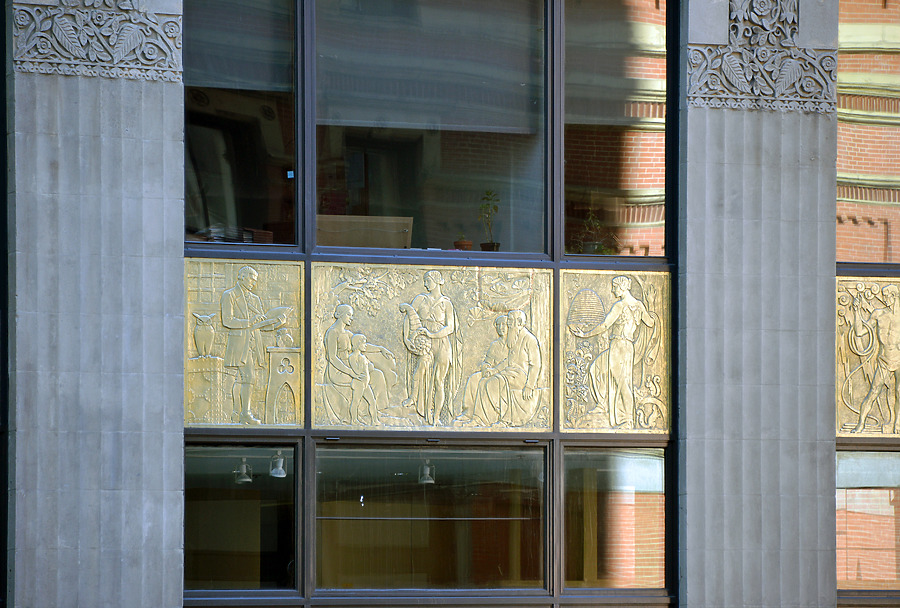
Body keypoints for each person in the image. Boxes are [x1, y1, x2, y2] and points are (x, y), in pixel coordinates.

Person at [571, 275, 654, 429]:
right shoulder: (639, 305)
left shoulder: (620, 306)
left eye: (615, 287)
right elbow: (650, 322)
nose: (613, 290)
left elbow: (604, 326)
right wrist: (651, 305)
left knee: (621, 383)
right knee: (599, 370)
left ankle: (628, 419)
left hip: (618, 345)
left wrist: (584, 334)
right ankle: (603, 405)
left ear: (622, 287)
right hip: (628, 346)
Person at [400, 270, 459, 425]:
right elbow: (409, 317)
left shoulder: (446, 303)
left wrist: (432, 334)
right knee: (420, 368)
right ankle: (413, 398)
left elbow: (450, 327)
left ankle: (437, 417)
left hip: (442, 344)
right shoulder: (420, 299)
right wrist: (406, 338)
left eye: (427, 280)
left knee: (439, 380)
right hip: (424, 343)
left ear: (436, 281)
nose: (425, 283)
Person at [221, 266, 276, 424]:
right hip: (239, 342)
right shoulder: (229, 295)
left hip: (254, 343)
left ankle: (238, 413)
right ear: (242, 276)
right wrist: (249, 322)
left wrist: (275, 322)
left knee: (246, 378)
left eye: (256, 280)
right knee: (246, 377)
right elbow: (227, 321)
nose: (254, 282)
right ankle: (242, 413)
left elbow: (260, 323)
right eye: (252, 278)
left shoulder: (255, 299)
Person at [473, 310, 541, 426]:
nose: (508, 324)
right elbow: (508, 361)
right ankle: (480, 419)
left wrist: (529, 386)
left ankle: (505, 420)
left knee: (495, 382)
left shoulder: (529, 339)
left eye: (509, 321)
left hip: (521, 376)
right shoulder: (514, 338)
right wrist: (495, 370)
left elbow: (536, 365)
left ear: (519, 322)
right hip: (509, 372)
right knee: (483, 382)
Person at [851, 284, 900, 433]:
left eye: (888, 296)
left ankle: (897, 424)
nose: (885, 299)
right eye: (884, 296)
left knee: (899, 390)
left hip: (898, 358)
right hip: (884, 359)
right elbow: (859, 332)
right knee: (873, 391)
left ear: (895, 296)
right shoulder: (879, 314)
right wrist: (857, 311)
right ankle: (860, 424)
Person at [458, 315, 507, 425]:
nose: (501, 327)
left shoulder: (513, 344)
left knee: (486, 382)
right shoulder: (495, 345)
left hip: (504, 375)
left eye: (504, 324)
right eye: (498, 325)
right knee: (474, 378)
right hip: (492, 373)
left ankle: (480, 418)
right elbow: (487, 361)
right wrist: (486, 368)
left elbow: (511, 362)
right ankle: (468, 412)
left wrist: (494, 371)